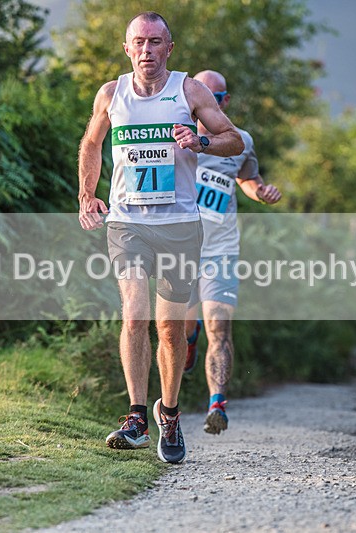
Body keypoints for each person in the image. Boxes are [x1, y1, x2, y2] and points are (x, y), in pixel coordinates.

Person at [77, 12, 244, 464]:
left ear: (170, 47)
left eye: (155, 42)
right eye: (139, 42)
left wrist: (201, 142)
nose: (147, 50)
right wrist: (86, 194)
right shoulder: (111, 94)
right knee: (134, 316)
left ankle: (168, 413)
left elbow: (234, 140)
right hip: (127, 222)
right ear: (127, 48)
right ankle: (135, 417)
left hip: (179, 225)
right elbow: (92, 143)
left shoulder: (190, 91)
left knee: (170, 330)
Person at [182, 70, 282, 435]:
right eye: (206, 95)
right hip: (180, 247)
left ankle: (217, 406)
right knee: (181, 327)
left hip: (220, 249)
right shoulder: (174, 132)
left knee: (220, 329)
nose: (213, 103)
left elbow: (249, 181)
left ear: (225, 103)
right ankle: (188, 339)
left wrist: (262, 193)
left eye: (219, 98)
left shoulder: (240, 140)